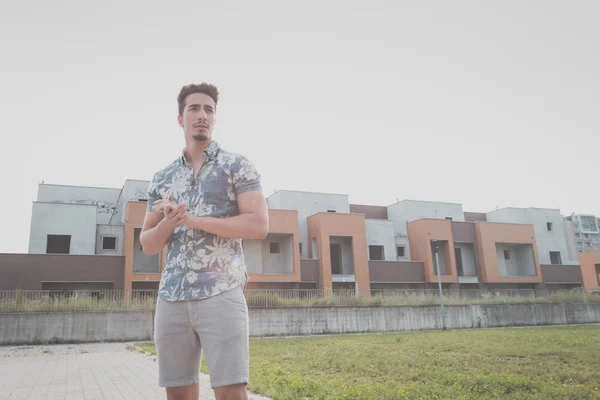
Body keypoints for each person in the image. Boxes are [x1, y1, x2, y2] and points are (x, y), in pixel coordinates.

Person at [140, 82, 268, 400]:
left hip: (221, 293)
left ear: (214, 118)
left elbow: (258, 224)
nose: (202, 115)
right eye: (194, 108)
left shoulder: (236, 165)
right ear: (181, 118)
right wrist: (169, 223)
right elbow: (147, 243)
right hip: (172, 297)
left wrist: (194, 220)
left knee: (231, 394)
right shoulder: (162, 177)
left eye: (208, 109)